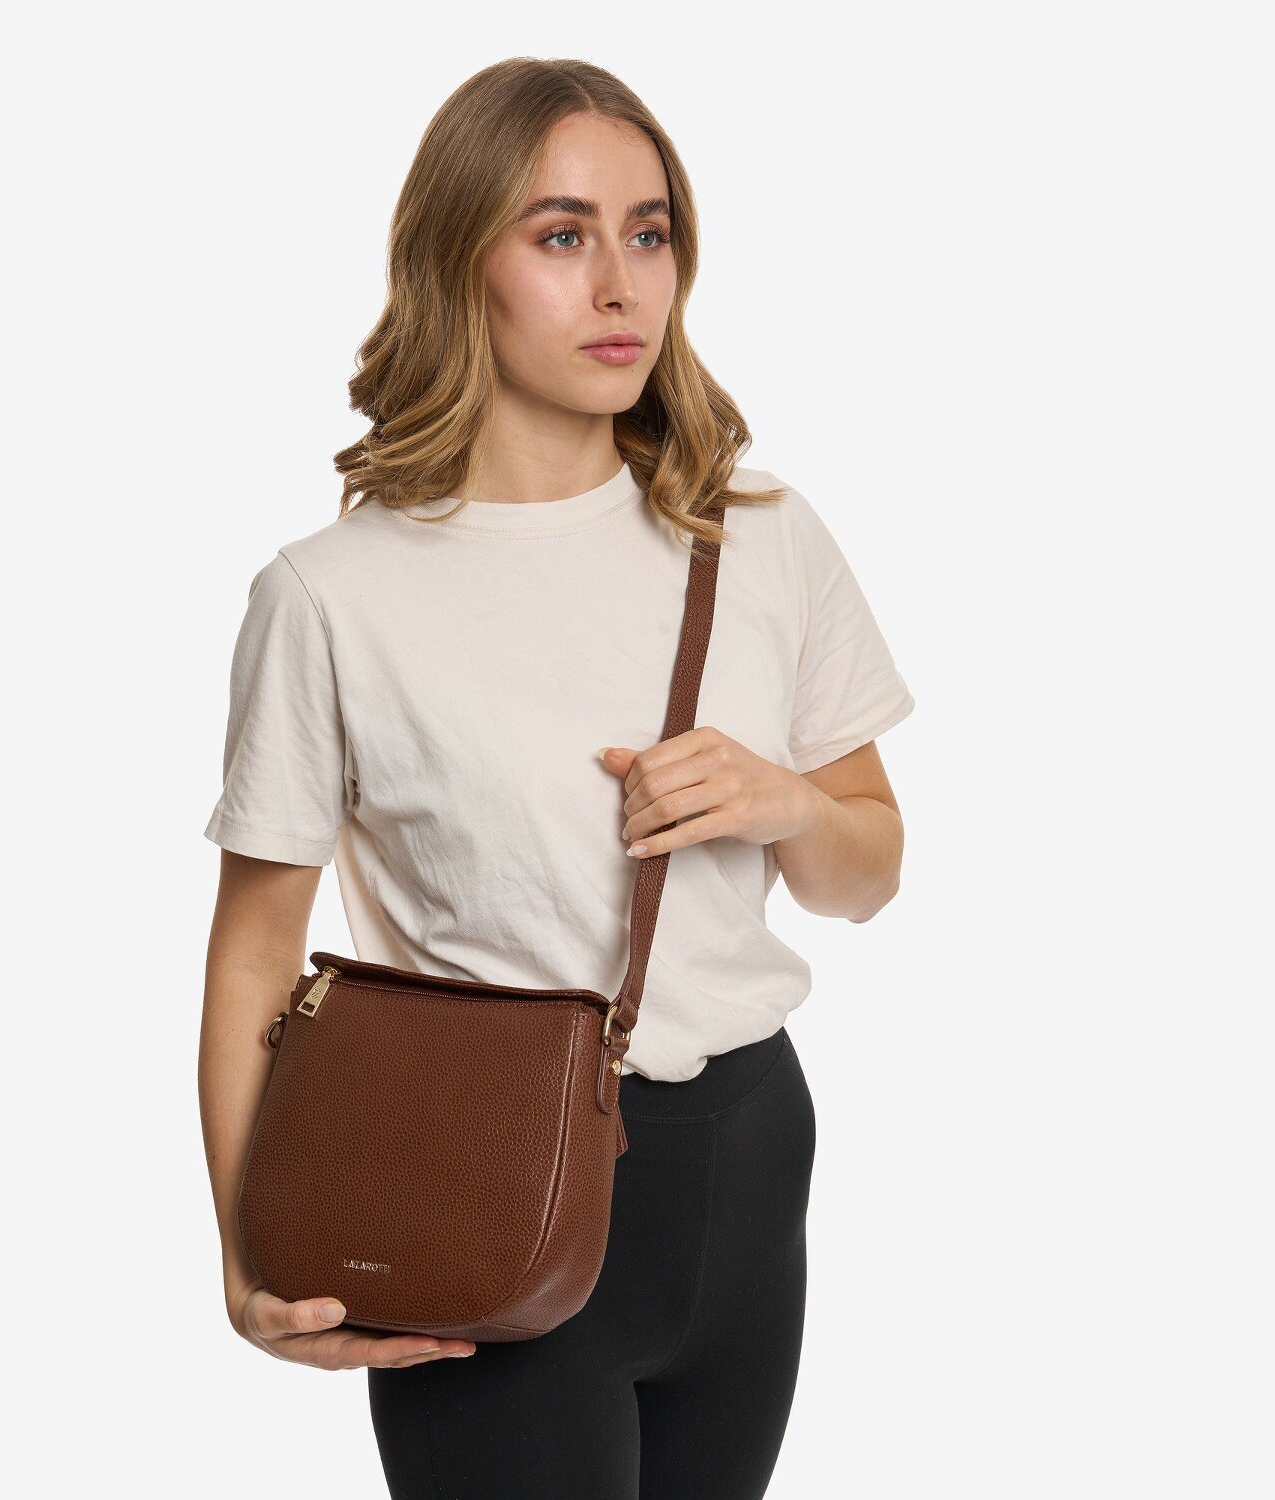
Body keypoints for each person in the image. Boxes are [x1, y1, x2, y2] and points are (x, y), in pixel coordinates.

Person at [198, 57, 914, 1500]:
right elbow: (258, 948)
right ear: (459, 262)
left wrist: (782, 803)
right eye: (562, 234)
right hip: (477, 1166)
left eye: (649, 233)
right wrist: (245, 1253)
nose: (618, 285)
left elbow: (869, 873)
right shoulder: (332, 596)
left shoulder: (760, 536)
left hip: (748, 1154)